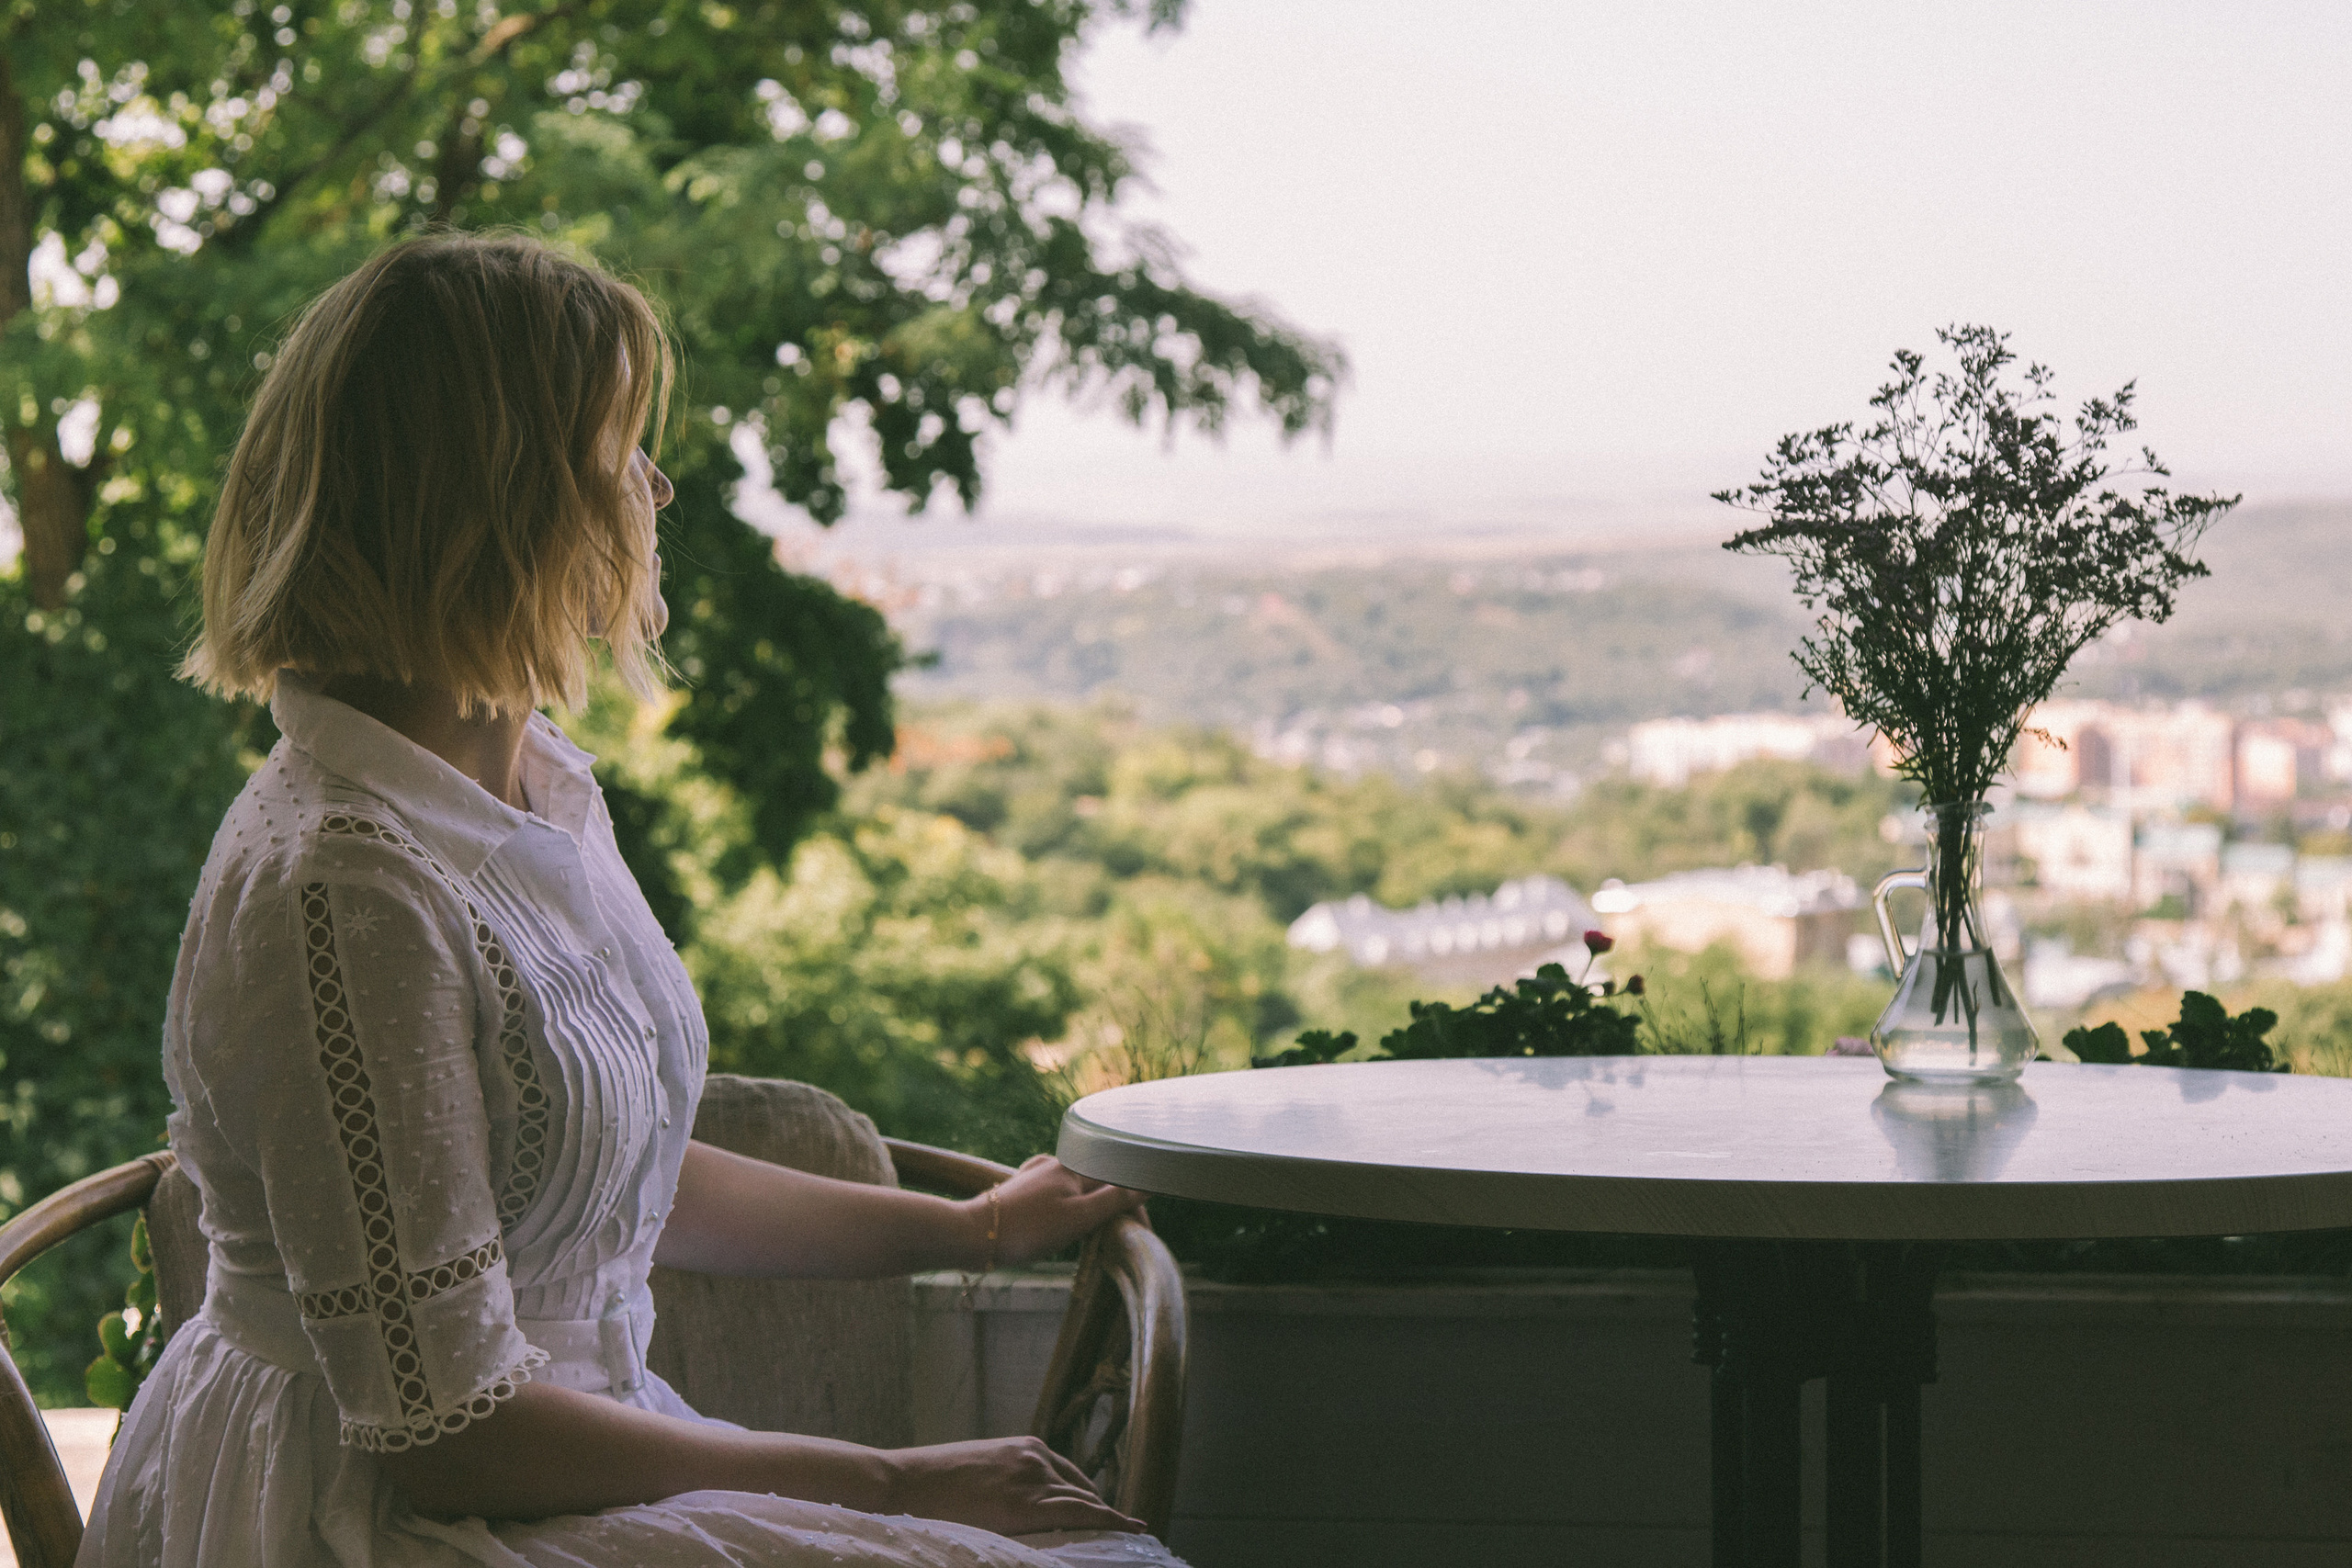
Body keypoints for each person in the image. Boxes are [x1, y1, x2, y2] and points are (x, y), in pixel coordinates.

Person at [80, 233, 1182, 1568]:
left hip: (565, 1461)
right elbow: (450, 1432)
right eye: (617, 448)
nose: (655, 485)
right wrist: (891, 1481)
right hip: (388, 1519)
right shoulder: (346, 890)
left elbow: (611, 1176)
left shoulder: (526, 790)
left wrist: (973, 1229)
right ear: (486, 500)